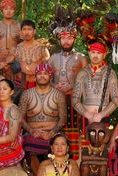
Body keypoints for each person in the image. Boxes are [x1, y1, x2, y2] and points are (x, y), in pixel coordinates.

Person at [48, 17, 87, 160]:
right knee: (58, 130)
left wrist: (72, 86)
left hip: (75, 101)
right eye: (63, 37)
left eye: (70, 38)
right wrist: (54, 86)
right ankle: (57, 161)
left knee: (77, 131)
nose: (66, 41)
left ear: (75, 38)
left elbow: (87, 80)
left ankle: (77, 162)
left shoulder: (81, 58)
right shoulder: (52, 58)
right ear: (58, 38)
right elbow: (46, 79)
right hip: (56, 101)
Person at [19, 63, 66, 176]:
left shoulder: (58, 95)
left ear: (50, 76)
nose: (42, 76)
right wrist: (31, 131)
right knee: (30, 146)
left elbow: (63, 119)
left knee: (58, 144)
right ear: (35, 77)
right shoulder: (26, 94)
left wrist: (52, 132)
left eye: (45, 74)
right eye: (39, 73)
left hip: (53, 133)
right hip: (32, 134)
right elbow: (19, 118)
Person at [72, 41, 118, 127]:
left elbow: (116, 99)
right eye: (93, 52)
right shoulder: (82, 73)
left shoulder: (110, 73)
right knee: (85, 140)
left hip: (103, 117)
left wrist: (101, 115)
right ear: (89, 53)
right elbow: (74, 99)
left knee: (102, 140)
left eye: (99, 53)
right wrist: (87, 114)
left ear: (104, 55)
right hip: (85, 118)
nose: (95, 55)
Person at [7, 19, 50, 90]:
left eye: (29, 29)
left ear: (34, 31)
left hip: (38, 84)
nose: (27, 32)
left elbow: (48, 69)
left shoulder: (42, 49)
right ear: (20, 32)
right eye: (24, 29)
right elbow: (7, 66)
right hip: (20, 84)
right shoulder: (15, 49)